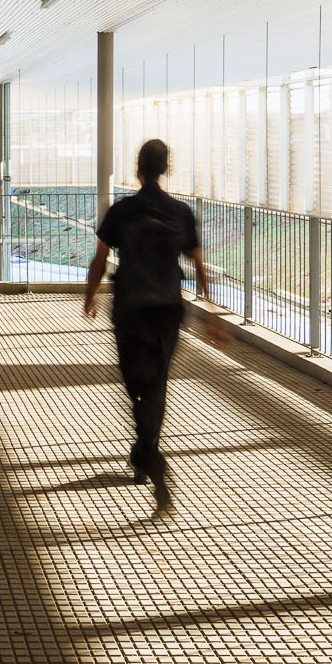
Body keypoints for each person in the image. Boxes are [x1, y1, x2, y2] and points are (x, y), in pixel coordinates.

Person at [83, 139, 207, 515]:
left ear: (137, 170)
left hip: (131, 310)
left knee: (136, 384)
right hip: (168, 311)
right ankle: (145, 454)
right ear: (165, 169)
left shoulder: (122, 211)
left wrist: (90, 294)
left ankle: (150, 457)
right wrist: (212, 315)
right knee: (156, 384)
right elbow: (199, 268)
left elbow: (100, 258)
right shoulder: (180, 213)